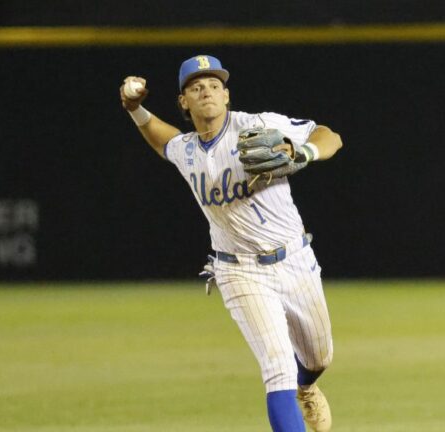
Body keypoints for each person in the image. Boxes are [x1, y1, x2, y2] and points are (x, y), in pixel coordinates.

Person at [119, 55, 343, 432]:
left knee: (319, 359)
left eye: (213, 85)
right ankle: (293, 389)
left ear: (227, 95)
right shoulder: (186, 149)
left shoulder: (258, 125)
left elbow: (329, 135)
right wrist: (135, 108)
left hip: (295, 259)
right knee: (277, 367)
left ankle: (307, 386)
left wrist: (303, 152)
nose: (205, 90)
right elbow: (162, 139)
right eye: (195, 86)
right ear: (183, 102)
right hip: (238, 270)